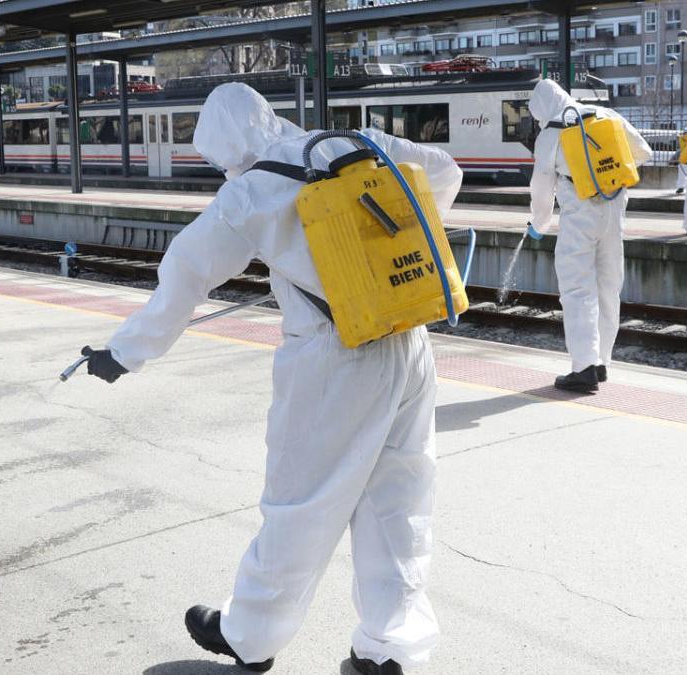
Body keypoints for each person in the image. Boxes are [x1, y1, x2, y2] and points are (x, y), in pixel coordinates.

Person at [83, 82, 462, 674]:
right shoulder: (357, 142)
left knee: (299, 500)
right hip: (408, 335)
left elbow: (185, 274)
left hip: (335, 357)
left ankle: (250, 637)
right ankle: (389, 649)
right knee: (399, 499)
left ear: (225, 150)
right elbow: (443, 170)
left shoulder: (252, 191)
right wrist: (379, 254)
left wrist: (123, 351)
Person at [524, 78, 652, 393]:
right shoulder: (605, 114)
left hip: (579, 215)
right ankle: (601, 362)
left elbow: (541, 190)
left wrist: (538, 225)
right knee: (609, 284)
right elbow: (643, 152)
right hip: (613, 210)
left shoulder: (551, 133)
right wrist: (608, 176)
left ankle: (583, 368)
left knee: (577, 288)